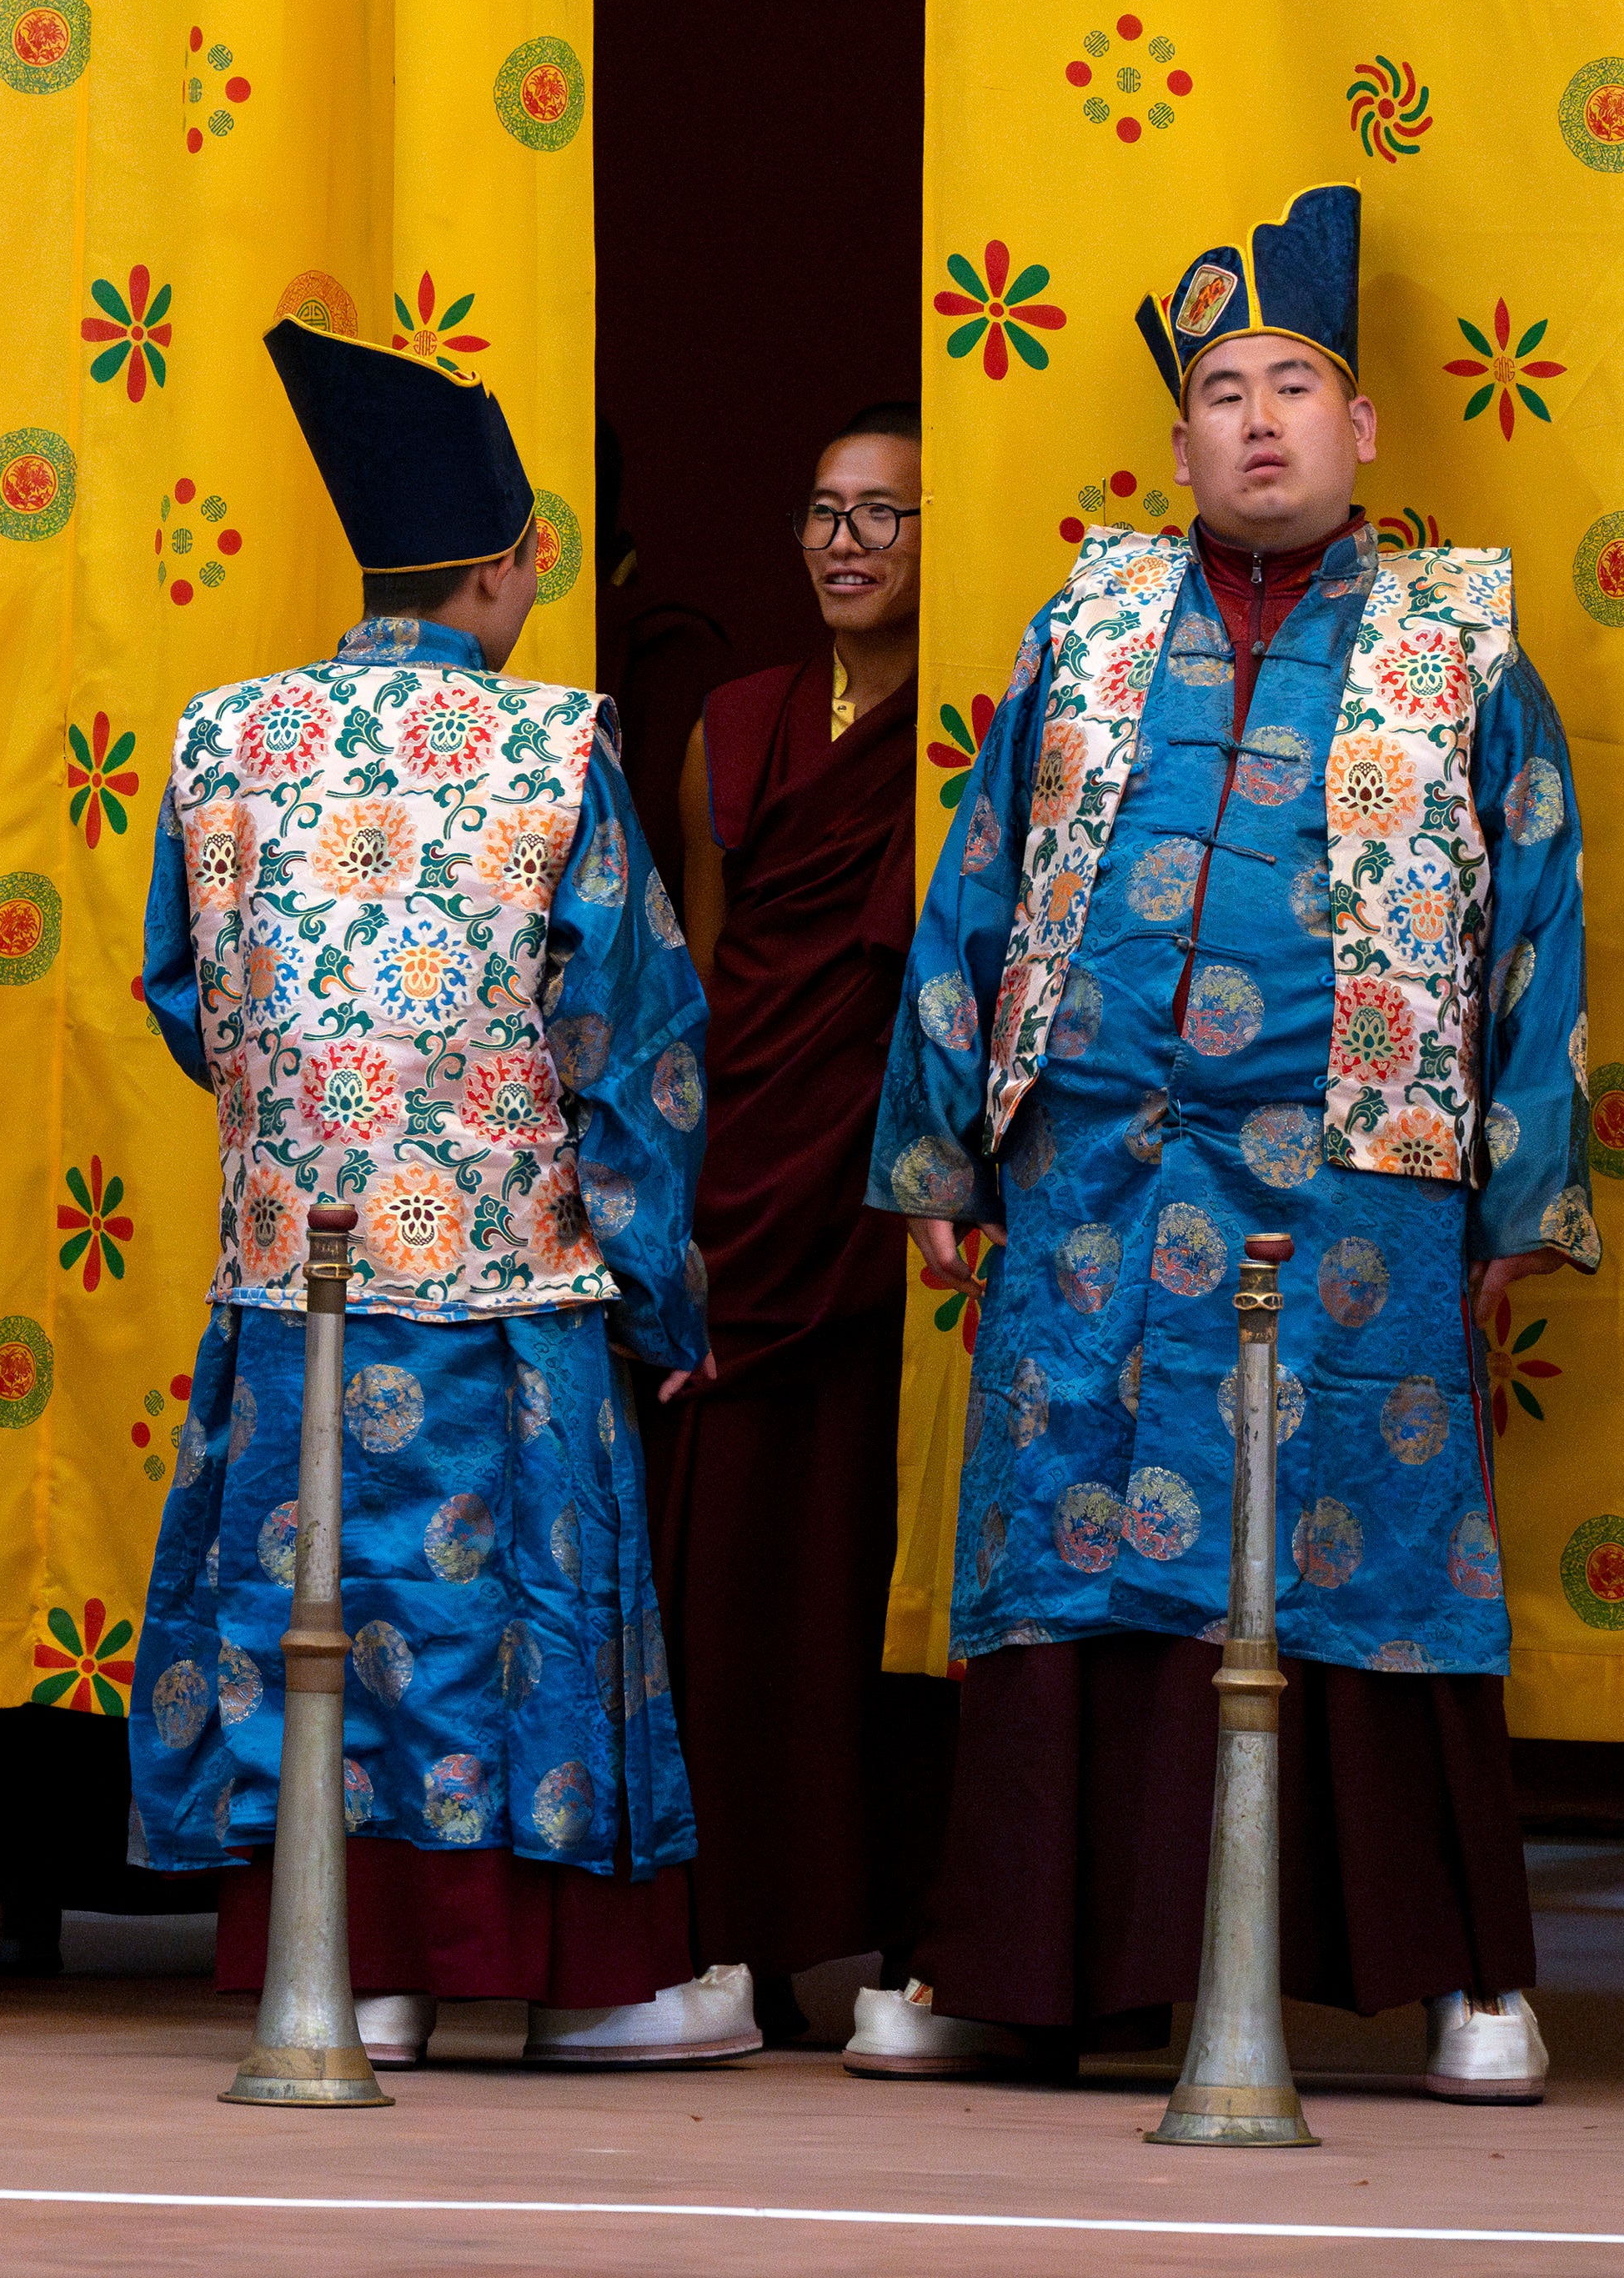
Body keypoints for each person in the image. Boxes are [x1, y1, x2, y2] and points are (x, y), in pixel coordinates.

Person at [857, 183, 1586, 2094]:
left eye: (1297, 386)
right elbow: (983, 882)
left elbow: (1538, 923)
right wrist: (941, 1152)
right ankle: (1017, 1967)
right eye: (1223, 389)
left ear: (1360, 432)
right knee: (1075, 1546)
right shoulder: (1082, 625)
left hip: (1355, 1185)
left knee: (1373, 1547)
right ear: (1177, 436)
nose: (1258, 418)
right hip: (1094, 1181)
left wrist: (1522, 1187)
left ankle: (1460, 1976)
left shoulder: (1458, 640)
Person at [127, 321, 742, 2069]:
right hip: (509, 1279)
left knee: (322, 1587)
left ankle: (354, 1965)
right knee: (500, 1612)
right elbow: (632, 1041)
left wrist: (310, 1126)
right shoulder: (555, 747)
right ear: (512, 562)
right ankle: (563, 1980)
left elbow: (185, 990)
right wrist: (658, 1286)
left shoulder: (226, 735)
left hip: (286, 1268)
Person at [644, 403, 953, 2050]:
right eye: (826, 511)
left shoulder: (968, 730)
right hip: (750, 1193)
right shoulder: (732, 724)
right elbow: (701, 992)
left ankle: (872, 1919)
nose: (847, 541)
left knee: (864, 1570)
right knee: (732, 1576)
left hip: (884, 1209)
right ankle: (723, 1927)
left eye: (885, 514)